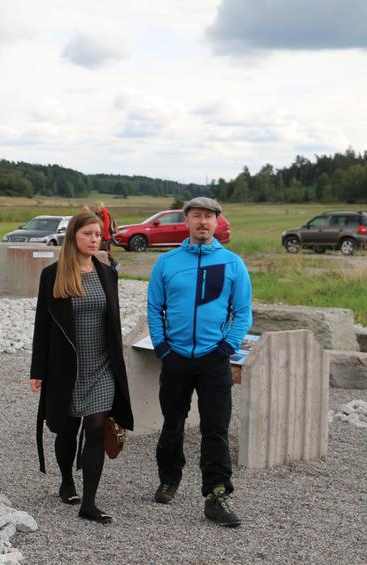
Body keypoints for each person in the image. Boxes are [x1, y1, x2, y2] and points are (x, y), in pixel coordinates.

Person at [146, 196, 252, 528]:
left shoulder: (232, 264)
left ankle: (216, 494)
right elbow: (154, 309)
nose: (203, 222)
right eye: (196, 216)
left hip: (214, 360)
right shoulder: (167, 262)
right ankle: (169, 478)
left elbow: (243, 312)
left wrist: (226, 347)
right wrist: (163, 347)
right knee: (172, 423)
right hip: (175, 357)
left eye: (209, 217)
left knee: (215, 429)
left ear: (218, 222)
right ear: (187, 221)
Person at [30, 212, 134, 524]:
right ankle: (66, 480)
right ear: (74, 235)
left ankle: (89, 502)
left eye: (98, 235)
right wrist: (38, 370)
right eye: (88, 233)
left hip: (102, 366)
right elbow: (42, 326)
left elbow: (112, 324)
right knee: (67, 429)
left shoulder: (107, 273)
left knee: (96, 428)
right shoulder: (53, 275)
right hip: (66, 368)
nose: (94, 239)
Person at [93, 201, 118, 270]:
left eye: (95, 207)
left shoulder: (104, 214)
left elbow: (106, 227)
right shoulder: (102, 214)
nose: (94, 209)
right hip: (105, 236)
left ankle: (114, 263)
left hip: (105, 237)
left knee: (104, 250)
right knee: (106, 250)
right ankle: (113, 264)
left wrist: (102, 236)